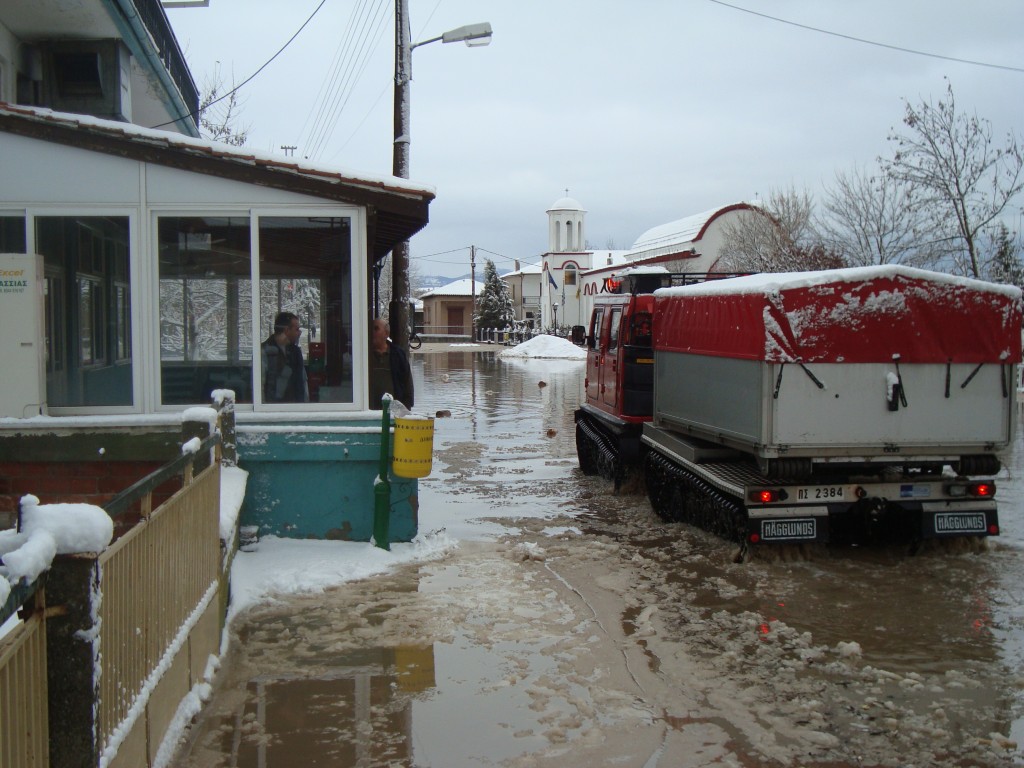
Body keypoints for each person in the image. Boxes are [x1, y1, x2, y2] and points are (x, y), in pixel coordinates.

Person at [261, 311, 309, 403]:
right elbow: (259, 386)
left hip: (294, 409)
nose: (299, 333)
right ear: (287, 330)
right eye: (297, 329)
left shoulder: (295, 352)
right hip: (271, 409)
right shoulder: (265, 352)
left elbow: (302, 383)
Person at [369, 318, 414, 409]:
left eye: (376, 329)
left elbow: (407, 382)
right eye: (370, 329)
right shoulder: (364, 355)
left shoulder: (398, 355)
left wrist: (406, 407)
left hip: (392, 411)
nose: (372, 332)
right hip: (369, 411)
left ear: (386, 333)